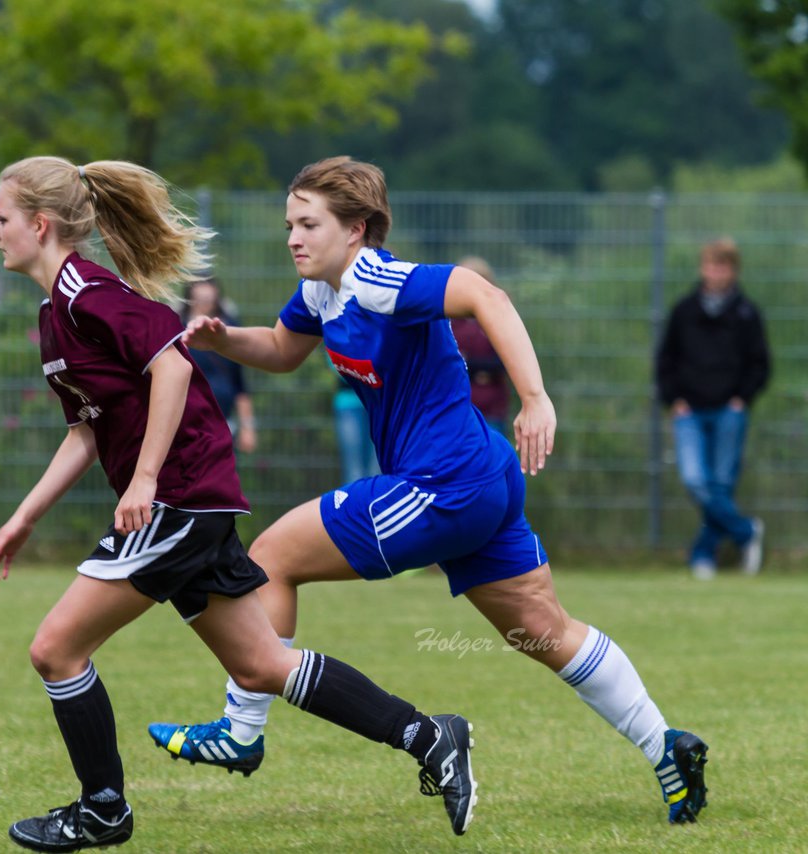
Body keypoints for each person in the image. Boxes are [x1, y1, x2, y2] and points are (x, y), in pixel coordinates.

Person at [148, 156, 709, 825]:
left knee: (270, 558)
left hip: (444, 485)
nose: (293, 237)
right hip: (480, 477)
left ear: (356, 229)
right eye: (289, 224)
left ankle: (241, 731)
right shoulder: (321, 292)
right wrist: (224, 339)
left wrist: (534, 398)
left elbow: (485, 296)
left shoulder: (377, 279)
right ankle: (665, 747)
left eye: (308, 223)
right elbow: (280, 346)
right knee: (541, 630)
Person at [0, 155, 478, 850]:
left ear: (38, 224)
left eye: (1, 218)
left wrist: (148, 478)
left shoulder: (88, 293)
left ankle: (102, 812)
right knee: (262, 666)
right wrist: (21, 520)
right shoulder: (55, 311)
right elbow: (85, 431)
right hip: (189, 500)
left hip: (180, 500)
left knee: (56, 649)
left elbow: (174, 365)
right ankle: (430, 736)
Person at [655, 237, 770, 580]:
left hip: (729, 410)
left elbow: (760, 364)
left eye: (721, 266)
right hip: (689, 411)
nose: (714, 272)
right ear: (702, 268)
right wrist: (674, 399)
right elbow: (666, 359)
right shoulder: (684, 310)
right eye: (709, 265)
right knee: (695, 480)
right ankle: (747, 532)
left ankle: (703, 555)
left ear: (733, 270)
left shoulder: (747, 314)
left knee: (720, 484)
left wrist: (741, 399)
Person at [180, 278, 257, 453]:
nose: (205, 302)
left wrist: (247, 427)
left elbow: (240, 383)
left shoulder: (230, 329)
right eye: (200, 298)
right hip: (185, 428)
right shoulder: (177, 330)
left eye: (209, 298)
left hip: (225, 425)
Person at [451, 256, 510, 435]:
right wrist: (479, 370)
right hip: (458, 407)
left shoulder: (500, 317)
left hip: (491, 409)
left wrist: (468, 364)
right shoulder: (449, 321)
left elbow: (504, 362)